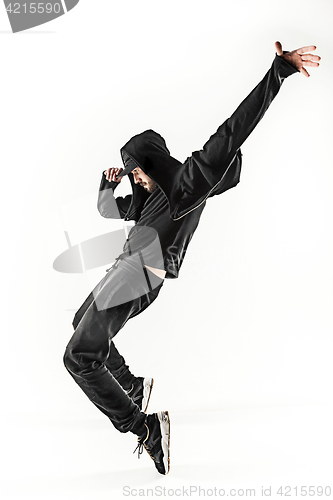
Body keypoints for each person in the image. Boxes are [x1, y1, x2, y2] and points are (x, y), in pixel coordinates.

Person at [63, 41, 320, 475]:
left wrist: (278, 72)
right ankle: (132, 386)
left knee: (77, 357)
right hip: (128, 271)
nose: (134, 177)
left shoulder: (186, 183)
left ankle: (144, 429)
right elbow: (109, 210)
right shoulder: (147, 199)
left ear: (151, 158)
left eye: (135, 168)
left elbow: (231, 132)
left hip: (138, 272)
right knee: (80, 326)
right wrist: (108, 186)